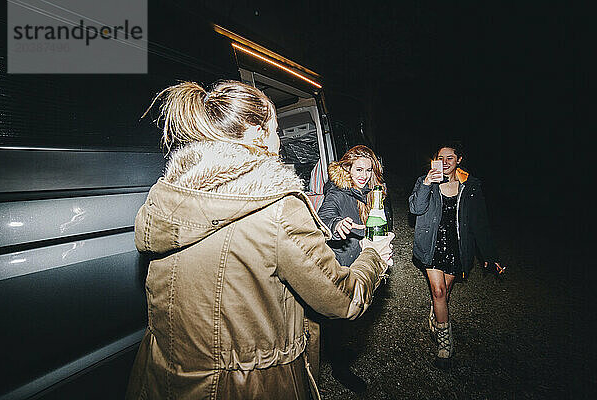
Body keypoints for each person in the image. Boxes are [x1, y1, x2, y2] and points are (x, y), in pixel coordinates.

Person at [125, 80, 394, 400]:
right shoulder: (277, 207)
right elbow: (344, 299)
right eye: (276, 129)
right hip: (246, 388)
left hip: (163, 380)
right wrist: (374, 256)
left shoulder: (168, 198)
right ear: (257, 133)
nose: (280, 141)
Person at [409, 142, 503, 368]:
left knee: (445, 293)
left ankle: (436, 313)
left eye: (450, 158)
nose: (445, 162)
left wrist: (490, 255)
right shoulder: (427, 182)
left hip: (457, 246)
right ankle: (445, 343)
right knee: (438, 290)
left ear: (459, 160)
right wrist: (426, 183)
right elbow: (415, 208)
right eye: (441, 158)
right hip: (432, 243)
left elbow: (480, 223)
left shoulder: (470, 186)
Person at [316, 145, 390, 392]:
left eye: (368, 170)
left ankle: (339, 351)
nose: (364, 175)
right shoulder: (338, 193)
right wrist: (336, 225)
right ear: (347, 168)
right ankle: (338, 368)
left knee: (351, 318)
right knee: (338, 317)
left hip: (361, 260)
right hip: (342, 264)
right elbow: (323, 218)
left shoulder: (372, 192)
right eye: (359, 169)